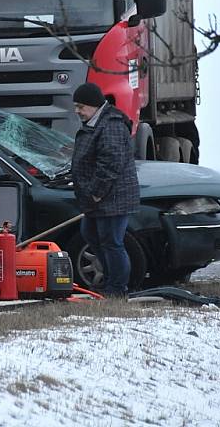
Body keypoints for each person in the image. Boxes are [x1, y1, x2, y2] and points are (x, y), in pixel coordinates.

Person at [70, 82, 139, 297]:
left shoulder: (112, 125)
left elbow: (110, 163)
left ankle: (117, 289)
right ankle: (110, 280)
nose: (77, 111)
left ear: (93, 105)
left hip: (112, 197)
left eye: (81, 107)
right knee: (90, 233)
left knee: (112, 242)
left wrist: (96, 192)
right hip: (97, 198)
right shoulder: (95, 122)